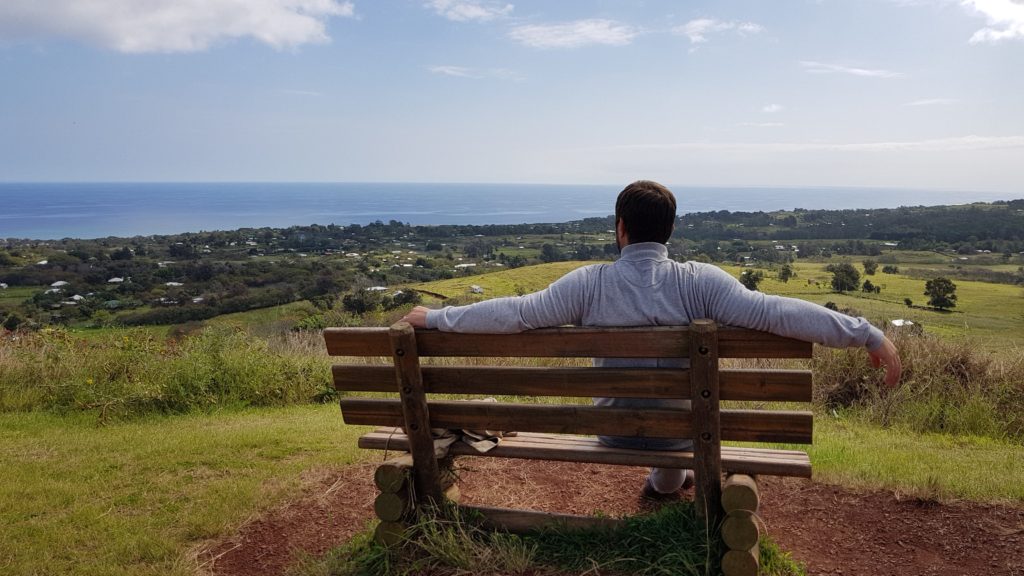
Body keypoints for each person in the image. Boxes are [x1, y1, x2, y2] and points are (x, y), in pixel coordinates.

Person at [401, 180, 901, 498]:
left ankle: (665, 480)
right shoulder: (700, 282)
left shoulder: (587, 283)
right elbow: (774, 311)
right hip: (686, 430)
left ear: (620, 229)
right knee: (675, 440)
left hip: (610, 427)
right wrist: (866, 334)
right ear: (670, 231)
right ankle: (669, 480)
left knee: (656, 444)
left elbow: (516, 313)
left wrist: (440, 318)